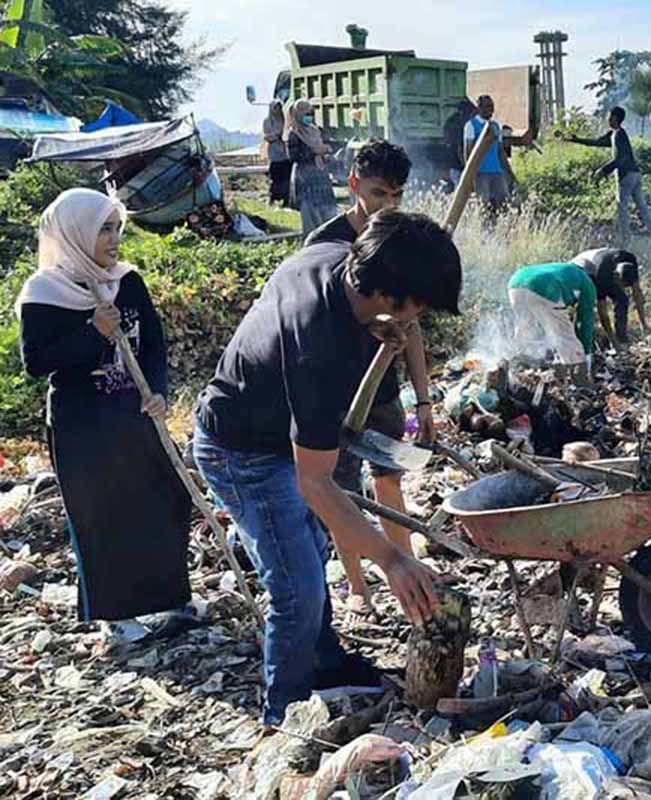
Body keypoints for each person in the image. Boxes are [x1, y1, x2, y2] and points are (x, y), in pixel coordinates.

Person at [192, 209, 462, 725]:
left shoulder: (336, 256)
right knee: (297, 585)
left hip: (276, 431)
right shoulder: (317, 340)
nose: (416, 319)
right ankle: (285, 712)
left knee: (310, 555)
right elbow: (313, 480)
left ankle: (326, 661)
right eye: (417, 307)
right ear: (386, 293)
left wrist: (381, 326)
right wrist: (392, 560)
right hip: (241, 449)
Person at [16, 189, 191, 638]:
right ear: (74, 234)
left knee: (165, 498)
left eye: (116, 228)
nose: (114, 240)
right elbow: (37, 361)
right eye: (103, 230)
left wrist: (157, 391)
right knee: (102, 514)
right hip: (84, 424)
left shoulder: (126, 280)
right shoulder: (45, 291)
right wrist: (93, 332)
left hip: (133, 413)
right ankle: (116, 618)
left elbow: (152, 341)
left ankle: (169, 600)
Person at [305, 139, 434, 613]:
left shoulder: (402, 242)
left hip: (382, 388)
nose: (388, 205)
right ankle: (357, 585)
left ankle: (405, 569)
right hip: (334, 389)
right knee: (340, 490)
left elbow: (413, 324)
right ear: (354, 185)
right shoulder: (325, 244)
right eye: (379, 194)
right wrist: (366, 323)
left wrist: (423, 400)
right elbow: (315, 320)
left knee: (390, 480)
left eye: (397, 195)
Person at [564, 106, 651, 251]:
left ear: (615, 118)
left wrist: (603, 170)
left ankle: (626, 242)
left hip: (626, 175)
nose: (607, 119)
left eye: (610, 116)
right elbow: (597, 142)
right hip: (635, 174)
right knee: (642, 207)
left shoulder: (618, 135)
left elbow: (620, 158)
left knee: (622, 207)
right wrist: (576, 140)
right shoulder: (615, 134)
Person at [507, 261, 597, 378]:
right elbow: (585, 322)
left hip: (515, 283)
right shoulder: (586, 281)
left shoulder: (563, 270)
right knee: (566, 339)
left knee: (526, 329)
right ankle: (580, 381)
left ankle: (518, 369)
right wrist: (586, 353)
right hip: (543, 286)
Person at [571, 247, 648, 345]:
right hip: (581, 269)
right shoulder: (601, 275)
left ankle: (622, 338)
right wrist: (613, 342)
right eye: (622, 285)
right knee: (585, 307)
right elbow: (603, 313)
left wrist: (643, 324)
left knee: (622, 299)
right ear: (615, 276)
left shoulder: (630, 259)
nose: (623, 288)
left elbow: (637, 292)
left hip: (604, 263)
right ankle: (580, 339)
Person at [285, 99, 339, 236]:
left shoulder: (315, 130)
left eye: (311, 112)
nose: (309, 116)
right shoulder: (294, 134)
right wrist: (314, 152)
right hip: (305, 178)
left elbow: (323, 149)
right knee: (310, 215)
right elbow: (294, 156)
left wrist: (326, 154)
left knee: (328, 212)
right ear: (298, 114)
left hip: (320, 176)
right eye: (305, 113)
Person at [463, 95, 516, 215]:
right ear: (479, 108)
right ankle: (483, 230)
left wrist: (509, 171)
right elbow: (468, 152)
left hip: (497, 172)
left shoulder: (496, 126)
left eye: (492, 107)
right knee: (483, 205)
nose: (491, 110)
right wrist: (470, 176)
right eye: (487, 107)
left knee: (505, 204)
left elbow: (500, 152)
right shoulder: (471, 125)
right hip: (480, 173)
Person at [263, 100, 291, 205]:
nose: (277, 110)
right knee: (275, 177)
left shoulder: (284, 120)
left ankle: (286, 199)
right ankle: (272, 197)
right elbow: (266, 135)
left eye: (279, 108)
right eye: (275, 108)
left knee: (285, 177)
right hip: (274, 152)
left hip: (285, 152)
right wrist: (276, 136)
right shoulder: (267, 121)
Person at [443, 99, 476, 187]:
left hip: (453, 163)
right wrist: (467, 166)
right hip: (459, 164)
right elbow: (460, 148)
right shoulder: (465, 123)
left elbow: (446, 139)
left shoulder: (450, 121)